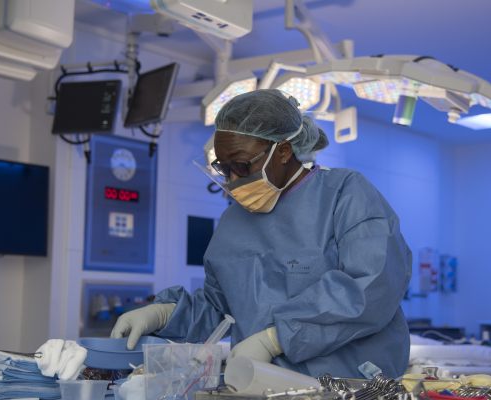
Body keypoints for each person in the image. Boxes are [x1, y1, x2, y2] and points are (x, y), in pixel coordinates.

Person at [111, 89, 412, 379]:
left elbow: (372, 286)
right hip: (259, 389)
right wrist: (163, 314)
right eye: (223, 167)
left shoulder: (345, 194)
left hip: (347, 390)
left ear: (282, 151)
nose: (231, 179)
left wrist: (275, 339)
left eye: (241, 164)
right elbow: (221, 308)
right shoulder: (234, 220)